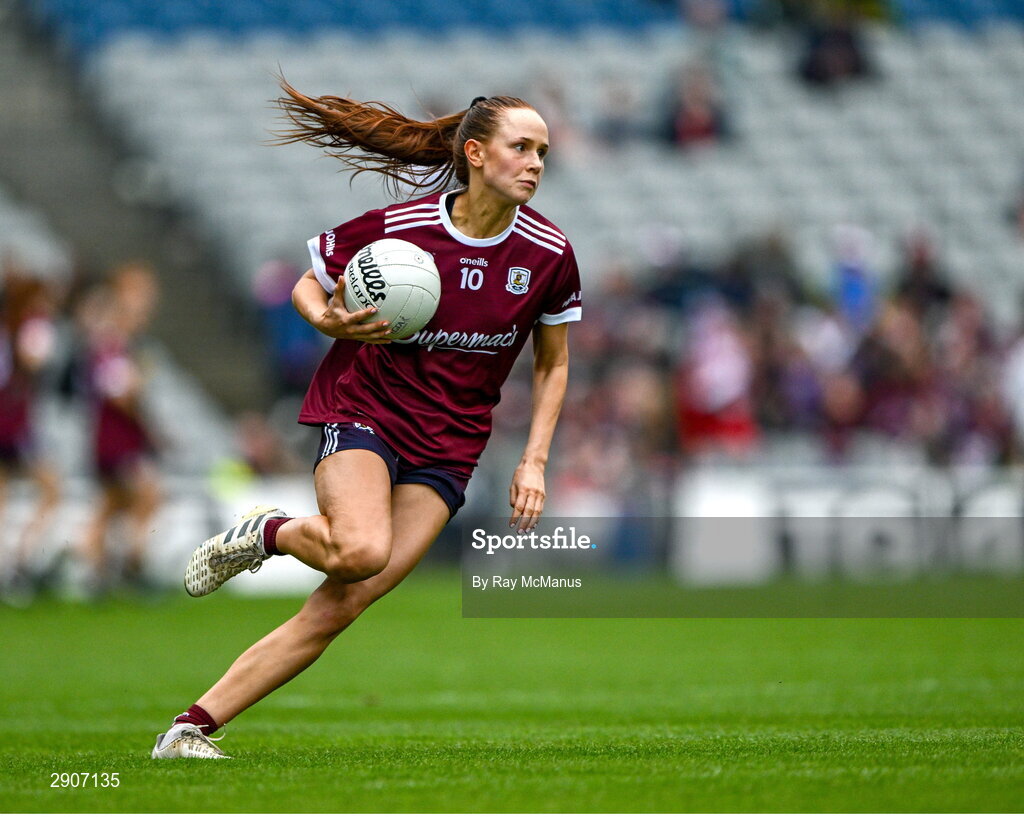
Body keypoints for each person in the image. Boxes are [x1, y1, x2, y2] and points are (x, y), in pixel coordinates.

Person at [151, 88, 582, 759]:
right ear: (475, 152)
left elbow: (553, 365)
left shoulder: (550, 253)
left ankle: (188, 729)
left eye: (543, 153)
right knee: (359, 550)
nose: (535, 163)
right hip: (367, 411)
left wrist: (534, 460)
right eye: (520, 147)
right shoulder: (402, 226)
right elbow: (309, 280)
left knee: (343, 603)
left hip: (451, 445)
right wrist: (324, 318)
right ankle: (268, 531)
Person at [77, 263, 162, 596]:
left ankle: (96, 572)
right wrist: (139, 389)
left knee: (110, 505)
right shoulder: (110, 348)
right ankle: (133, 563)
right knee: (148, 495)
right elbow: (120, 395)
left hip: (110, 437)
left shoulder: (114, 347)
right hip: (115, 438)